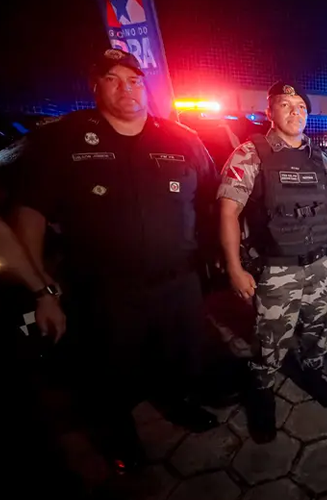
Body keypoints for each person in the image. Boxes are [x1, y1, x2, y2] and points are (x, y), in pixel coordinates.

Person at [11, 48, 221, 470]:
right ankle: (118, 436)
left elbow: (211, 200)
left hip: (177, 282)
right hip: (105, 288)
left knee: (178, 354)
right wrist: (42, 291)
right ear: (96, 87)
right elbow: (29, 212)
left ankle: (176, 401)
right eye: (113, 79)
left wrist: (218, 260)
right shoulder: (62, 139)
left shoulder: (181, 138)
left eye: (134, 80)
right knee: (109, 369)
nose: (126, 88)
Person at [218, 81, 327, 443]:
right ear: (269, 111)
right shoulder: (250, 154)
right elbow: (228, 212)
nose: (295, 112)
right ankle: (262, 389)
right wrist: (234, 268)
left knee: (318, 328)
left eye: (301, 106)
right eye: (285, 105)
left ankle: (312, 371)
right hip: (275, 268)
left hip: (319, 264)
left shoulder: (320, 159)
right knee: (271, 337)